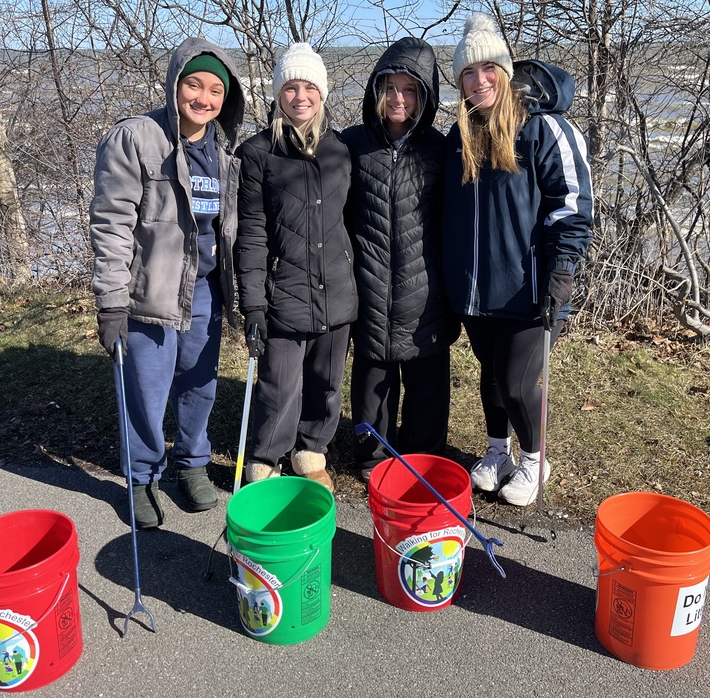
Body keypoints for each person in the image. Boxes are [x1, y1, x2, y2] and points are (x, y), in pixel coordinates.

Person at [90, 39, 245, 528]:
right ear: (176, 84)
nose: (203, 98)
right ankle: (141, 476)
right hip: (149, 293)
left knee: (200, 385)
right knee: (146, 389)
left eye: (215, 90)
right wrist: (111, 302)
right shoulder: (137, 138)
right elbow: (111, 223)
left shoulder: (225, 151)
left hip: (205, 290)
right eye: (194, 84)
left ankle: (191, 463)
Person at [443, 14, 593, 506]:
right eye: (468, 72)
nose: (479, 80)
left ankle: (534, 459)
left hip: (528, 287)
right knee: (489, 373)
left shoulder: (543, 130)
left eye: (488, 69)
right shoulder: (459, 137)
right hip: (474, 288)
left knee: (516, 379)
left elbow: (570, 206)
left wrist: (561, 272)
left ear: (505, 73)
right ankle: (496, 450)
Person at [235, 42, 357, 492]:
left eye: (309, 87)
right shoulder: (257, 154)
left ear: (322, 94)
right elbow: (250, 234)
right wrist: (252, 305)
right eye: (290, 87)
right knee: (278, 386)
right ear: (277, 94)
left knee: (326, 384)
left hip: (338, 291)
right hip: (282, 292)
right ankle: (265, 459)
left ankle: (311, 451)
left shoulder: (340, 151)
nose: (300, 96)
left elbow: (355, 223)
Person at [341, 37, 459, 482]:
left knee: (427, 386)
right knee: (373, 381)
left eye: (410, 90)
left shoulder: (440, 148)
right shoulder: (352, 145)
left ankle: (424, 461)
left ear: (425, 95)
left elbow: (460, 215)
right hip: (368, 287)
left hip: (426, 289)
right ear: (376, 90)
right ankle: (373, 459)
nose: (398, 98)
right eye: (390, 87)